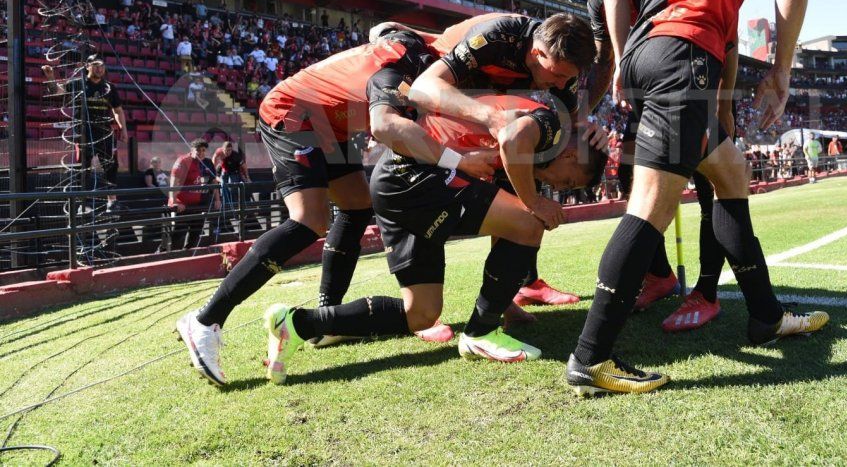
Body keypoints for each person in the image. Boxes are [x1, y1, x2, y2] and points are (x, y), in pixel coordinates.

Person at [566, 0, 828, 396]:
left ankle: (766, 317)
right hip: (685, 58)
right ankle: (590, 357)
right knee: (651, 206)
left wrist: (623, 60)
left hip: (648, 53)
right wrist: (781, 71)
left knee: (731, 174)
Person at [176, 31, 497, 386]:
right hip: (293, 111)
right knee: (309, 220)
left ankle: (325, 316)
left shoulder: (419, 56)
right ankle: (205, 320)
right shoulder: (406, 68)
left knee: (357, 204)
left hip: (330, 123)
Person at [261, 93, 607, 383]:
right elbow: (511, 141)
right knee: (530, 220)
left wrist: (505, 303)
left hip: (397, 184)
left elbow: (506, 227)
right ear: (570, 156)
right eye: (569, 180)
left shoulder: (527, 162)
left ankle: (297, 323)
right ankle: (481, 333)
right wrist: (535, 202)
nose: (560, 188)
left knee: (421, 314)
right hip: (413, 176)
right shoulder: (546, 126)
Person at [409, 12, 607, 310]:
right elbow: (421, 89)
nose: (561, 84)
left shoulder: (562, 72)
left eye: (569, 78)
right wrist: (488, 116)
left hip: (485, 108)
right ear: (537, 53)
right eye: (557, 75)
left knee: (526, 165)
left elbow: (568, 130)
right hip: (437, 92)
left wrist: (591, 132)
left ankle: (516, 288)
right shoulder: (496, 37)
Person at [42, 56, 127, 213]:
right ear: (87, 66)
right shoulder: (77, 83)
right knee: (82, 168)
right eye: (95, 65)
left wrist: (123, 129)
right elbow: (56, 91)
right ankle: (81, 204)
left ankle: (112, 202)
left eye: (101, 65)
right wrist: (50, 77)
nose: (99, 68)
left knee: (111, 166)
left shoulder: (109, 87)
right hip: (83, 134)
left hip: (104, 132)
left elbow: (118, 110)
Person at [168, 139, 221, 250]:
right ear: (192, 149)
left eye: (203, 150)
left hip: (199, 204)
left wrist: (217, 199)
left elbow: (214, 181)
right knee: (178, 234)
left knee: (195, 234)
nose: (201, 153)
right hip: (183, 205)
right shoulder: (183, 161)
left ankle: (188, 253)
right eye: (198, 150)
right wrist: (175, 202)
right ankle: (167, 254)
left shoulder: (207, 162)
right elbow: (173, 183)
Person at [212, 140, 249, 214]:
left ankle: (234, 206)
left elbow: (244, 166)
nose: (228, 152)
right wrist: (213, 170)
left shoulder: (235, 155)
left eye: (230, 150)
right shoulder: (219, 151)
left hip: (234, 172)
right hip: (224, 171)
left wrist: (247, 177)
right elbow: (214, 158)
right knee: (222, 186)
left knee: (232, 187)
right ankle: (226, 205)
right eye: (227, 150)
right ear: (223, 149)